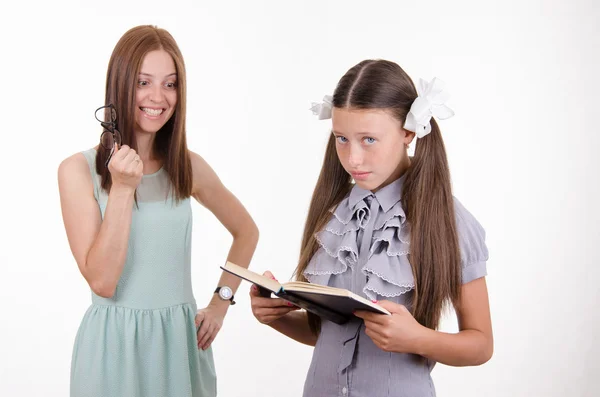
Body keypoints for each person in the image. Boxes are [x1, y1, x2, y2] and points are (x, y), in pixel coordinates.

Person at [249, 59, 493, 396]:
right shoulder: (335, 215)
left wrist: (417, 338)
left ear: (408, 132)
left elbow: (480, 345)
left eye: (369, 140)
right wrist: (275, 316)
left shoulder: (446, 219)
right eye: (342, 139)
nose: (353, 159)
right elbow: (327, 334)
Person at [58, 25, 259, 397]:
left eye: (170, 84)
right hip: (113, 350)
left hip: (179, 347)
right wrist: (121, 189)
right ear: (120, 84)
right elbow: (102, 282)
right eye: (143, 82)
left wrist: (220, 304)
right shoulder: (77, 170)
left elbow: (246, 231)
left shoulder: (188, 167)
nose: (158, 97)